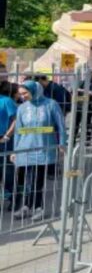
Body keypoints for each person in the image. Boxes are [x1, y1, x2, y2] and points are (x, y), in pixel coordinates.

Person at [10, 81, 66, 221]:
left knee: (37, 179)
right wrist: (15, 151)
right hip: (25, 148)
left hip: (43, 148)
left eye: (25, 93)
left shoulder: (51, 105)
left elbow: (61, 126)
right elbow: (18, 131)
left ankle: (38, 207)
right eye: (21, 94)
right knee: (25, 179)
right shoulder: (22, 108)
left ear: (35, 91)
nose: (23, 97)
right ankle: (26, 206)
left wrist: (62, 144)